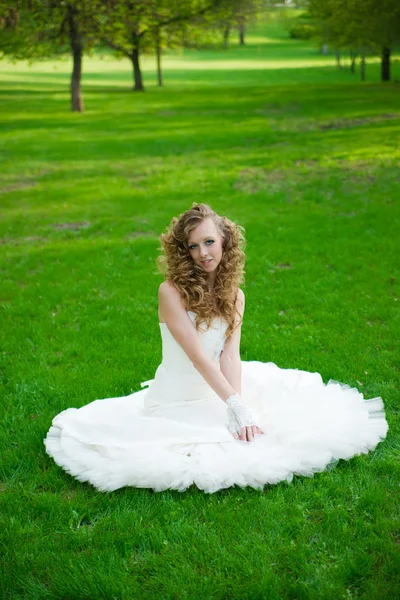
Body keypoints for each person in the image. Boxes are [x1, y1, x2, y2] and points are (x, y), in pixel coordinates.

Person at [44, 203, 389, 494]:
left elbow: (229, 355)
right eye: (193, 246)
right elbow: (196, 356)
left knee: (269, 428)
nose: (203, 253)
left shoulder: (235, 295)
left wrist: (235, 406)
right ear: (183, 250)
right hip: (177, 396)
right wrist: (235, 403)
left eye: (209, 242)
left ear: (225, 242)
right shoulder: (170, 292)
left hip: (217, 389)